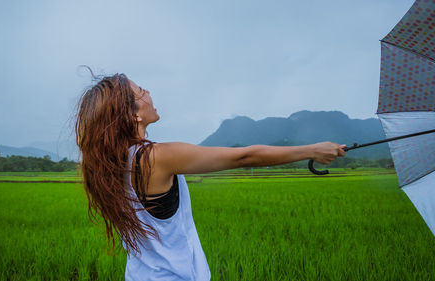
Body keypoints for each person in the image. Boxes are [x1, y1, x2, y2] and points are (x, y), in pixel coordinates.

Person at [75, 70, 346, 281]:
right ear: (132, 115)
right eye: (141, 90)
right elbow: (244, 157)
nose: (149, 92)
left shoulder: (112, 165)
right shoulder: (156, 158)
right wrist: (312, 150)